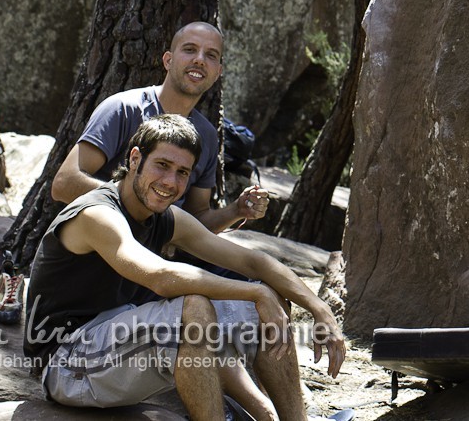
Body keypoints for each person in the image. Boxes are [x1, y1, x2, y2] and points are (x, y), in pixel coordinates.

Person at [25, 114, 346, 420]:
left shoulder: (164, 219)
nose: (169, 181)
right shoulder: (98, 214)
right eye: (162, 166)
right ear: (135, 159)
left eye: (182, 172)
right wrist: (255, 292)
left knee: (267, 307)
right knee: (194, 309)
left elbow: (253, 261)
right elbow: (161, 277)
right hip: (67, 364)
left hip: (118, 343)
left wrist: (319, 309)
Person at [53, 21, 269, 231]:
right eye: (190, 49)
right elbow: (64, 184)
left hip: (158, 254)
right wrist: (143, 202)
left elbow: (196, 220)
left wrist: (236, 211)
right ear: (168, 60)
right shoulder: (123, 109)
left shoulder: (207, 135)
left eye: (211, 55)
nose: (200, 60)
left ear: (217, 73)